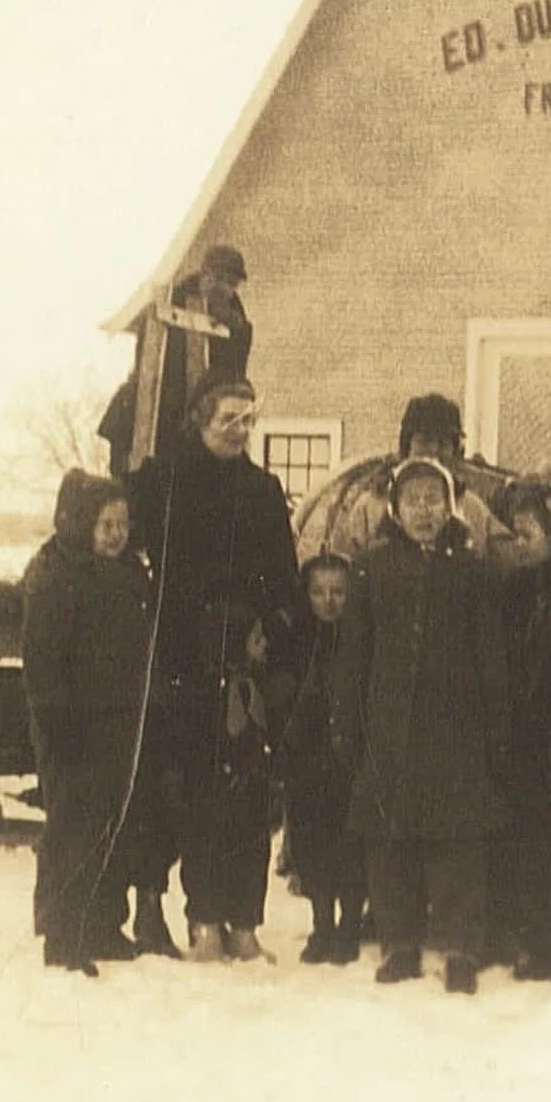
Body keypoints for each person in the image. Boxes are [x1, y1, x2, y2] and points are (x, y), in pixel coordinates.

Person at [125, 374, 299, 958]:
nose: (239, 430)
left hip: (246, 662)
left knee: (247, 795)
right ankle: (201, 919)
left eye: (248, 419)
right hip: (185, 658)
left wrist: (268, 629)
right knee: (192, 790)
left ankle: (242, 922)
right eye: (228, 418)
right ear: (200, 419)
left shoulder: (264, 490)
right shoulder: (169, 481)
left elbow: (284, 577)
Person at [340, 456, 510, 994]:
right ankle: (400, 944)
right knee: (391, 843)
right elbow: (353, 655)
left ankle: (461, 947)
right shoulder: (372, 568)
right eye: (412, 501)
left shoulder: (473, 572)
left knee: (459, 845)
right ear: (394, 508)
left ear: (450, 507)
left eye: (432, 500)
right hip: (389, 728)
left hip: (456, 729)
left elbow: (492, 654)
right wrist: (347, 721)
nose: (423, 511)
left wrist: (496, 723)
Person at [21, 471, 153, 975]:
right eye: (105, 524)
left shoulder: (128, 575)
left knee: (112, 823)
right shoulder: (54, 575)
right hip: (69, 725)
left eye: (122, 524)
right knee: (73, 828)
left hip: (117, 723)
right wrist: (56, 719)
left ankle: (101, 922)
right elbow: (43, 659)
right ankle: (63, 933)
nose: (116, 534)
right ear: (79, 524)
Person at [490, 482, 551, 979]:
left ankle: (547, 940)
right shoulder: (507, 591)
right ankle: (516, 934)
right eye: (514, 534)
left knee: (549, 838)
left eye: (530, 533)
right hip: (517, 726)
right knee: (515, 834)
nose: (522, 544)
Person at [316, 393, 527, 569]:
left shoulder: (472, 508)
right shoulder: (370, 507)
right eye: (425, 441)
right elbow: (341, 572)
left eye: (443, 443)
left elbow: (510, 562)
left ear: (456, 451)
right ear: (406, 447)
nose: (434, 452)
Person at [278, 554, 367, 964]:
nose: (329, 602)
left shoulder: (361, 640)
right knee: (312, 842)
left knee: (351, 842)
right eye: (318, 593)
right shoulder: (297, 641)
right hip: (308, 757)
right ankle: (321, 923)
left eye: (338, 592)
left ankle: (349, 924)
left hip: (349, 755)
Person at [97, 244, 253, 474]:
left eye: (232, 283)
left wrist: (232, 329)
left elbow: (235, 375)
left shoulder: (237, 320)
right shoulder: (170, 303)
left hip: (204, 411)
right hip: (162, 403)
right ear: (206, 275)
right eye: (221, 279)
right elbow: (149, 358)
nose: (227, 290)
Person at [181, 603, 280, 961]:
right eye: (256, 639)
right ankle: (205, 922)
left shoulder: (260, 684)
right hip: (213, 789)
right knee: (206, 849)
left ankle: (243, 926)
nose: (264, 644)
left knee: (252, 853)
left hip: (251, 789)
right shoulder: (208, 691)